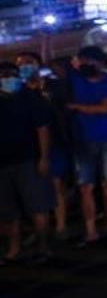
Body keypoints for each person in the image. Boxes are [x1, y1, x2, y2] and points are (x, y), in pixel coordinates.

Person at [66, 45, 107, 243]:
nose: (85, 65)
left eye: (89, 61)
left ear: (100, 63)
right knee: (86, 187)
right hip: (83, 139)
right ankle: (91, 230)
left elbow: (105, 108)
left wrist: (77, 107)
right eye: (82, 61)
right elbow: (50, 64)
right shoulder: (76, 80)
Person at [0, 61, 53, 263]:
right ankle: (13, 249)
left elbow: (42, 129)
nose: (7, 79)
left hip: (28, 160)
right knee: (7, 212)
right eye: (3, 76)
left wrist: (44, 158)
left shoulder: (29, 98)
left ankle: (43, 247)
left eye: (10, 75)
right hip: (3, 163)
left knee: (37, 207)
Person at [20, 49, 72, 239]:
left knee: (57, 184)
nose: (24, 67)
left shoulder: (53, 87)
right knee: (34, 189)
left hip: (55, 142)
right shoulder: (19, 91)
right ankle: (40, 228)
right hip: (29, 147)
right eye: (21, 64)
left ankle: (60, 225)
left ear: (38, 65)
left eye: (28, 62)